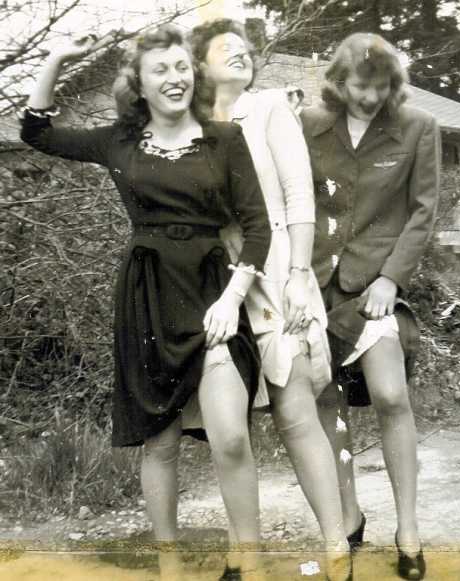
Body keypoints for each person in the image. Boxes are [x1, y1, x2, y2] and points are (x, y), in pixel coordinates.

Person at [20, 25, 272, 580]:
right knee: (160, 444)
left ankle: (250, 565)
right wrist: (58, 57)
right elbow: (35, 133)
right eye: (160, 70)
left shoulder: (225, 139)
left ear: (194, 75)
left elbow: (258, 227)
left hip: (214, 294)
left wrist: (232, 298)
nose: (174, 78)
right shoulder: (118, 141)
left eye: (182, 67)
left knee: (231, 435)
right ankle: (170, 566)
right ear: (139, 84)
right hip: (148, 297)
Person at [189, 19, 352, 581]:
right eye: (226, 49)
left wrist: (301, 275)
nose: (241, 54)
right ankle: (245, 556)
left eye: (245, 49)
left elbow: (299, 196)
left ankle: (336, 549)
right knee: (229, 422)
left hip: (279, 267)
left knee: (294, 409)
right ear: (200, 64)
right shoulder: (186, 123)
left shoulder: (270, 110)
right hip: (216, 277)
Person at [301, 33, 440, 580]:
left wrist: (390, 279)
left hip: (376, 288)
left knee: (390, 394)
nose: (370, 96)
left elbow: (423, 212)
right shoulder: (309, 124)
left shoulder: (418, 126)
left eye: (381, 86)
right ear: (339, 81)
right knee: (326, 400)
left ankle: (409, 528)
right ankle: (350, 515)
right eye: (360, 85)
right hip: (316, 283)